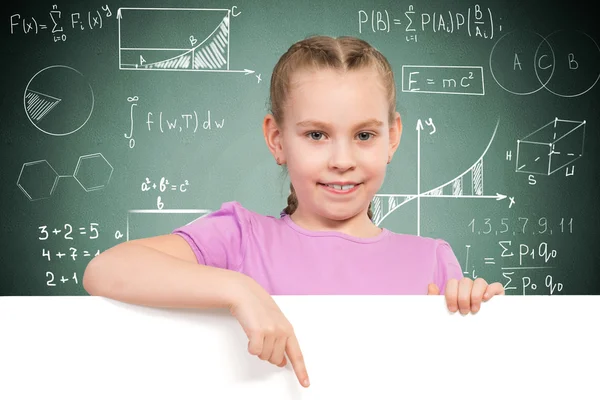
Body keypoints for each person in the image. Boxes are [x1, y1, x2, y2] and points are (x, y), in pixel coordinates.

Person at [83, 35, 505, 389]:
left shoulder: (431, 261)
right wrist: (241, 291)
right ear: (277, 138)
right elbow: (106, 270)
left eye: (364, 135)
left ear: (392, 137)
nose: (342, 159)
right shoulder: (242, 240)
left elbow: (469, 379)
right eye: (317, 135)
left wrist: (477, 309)